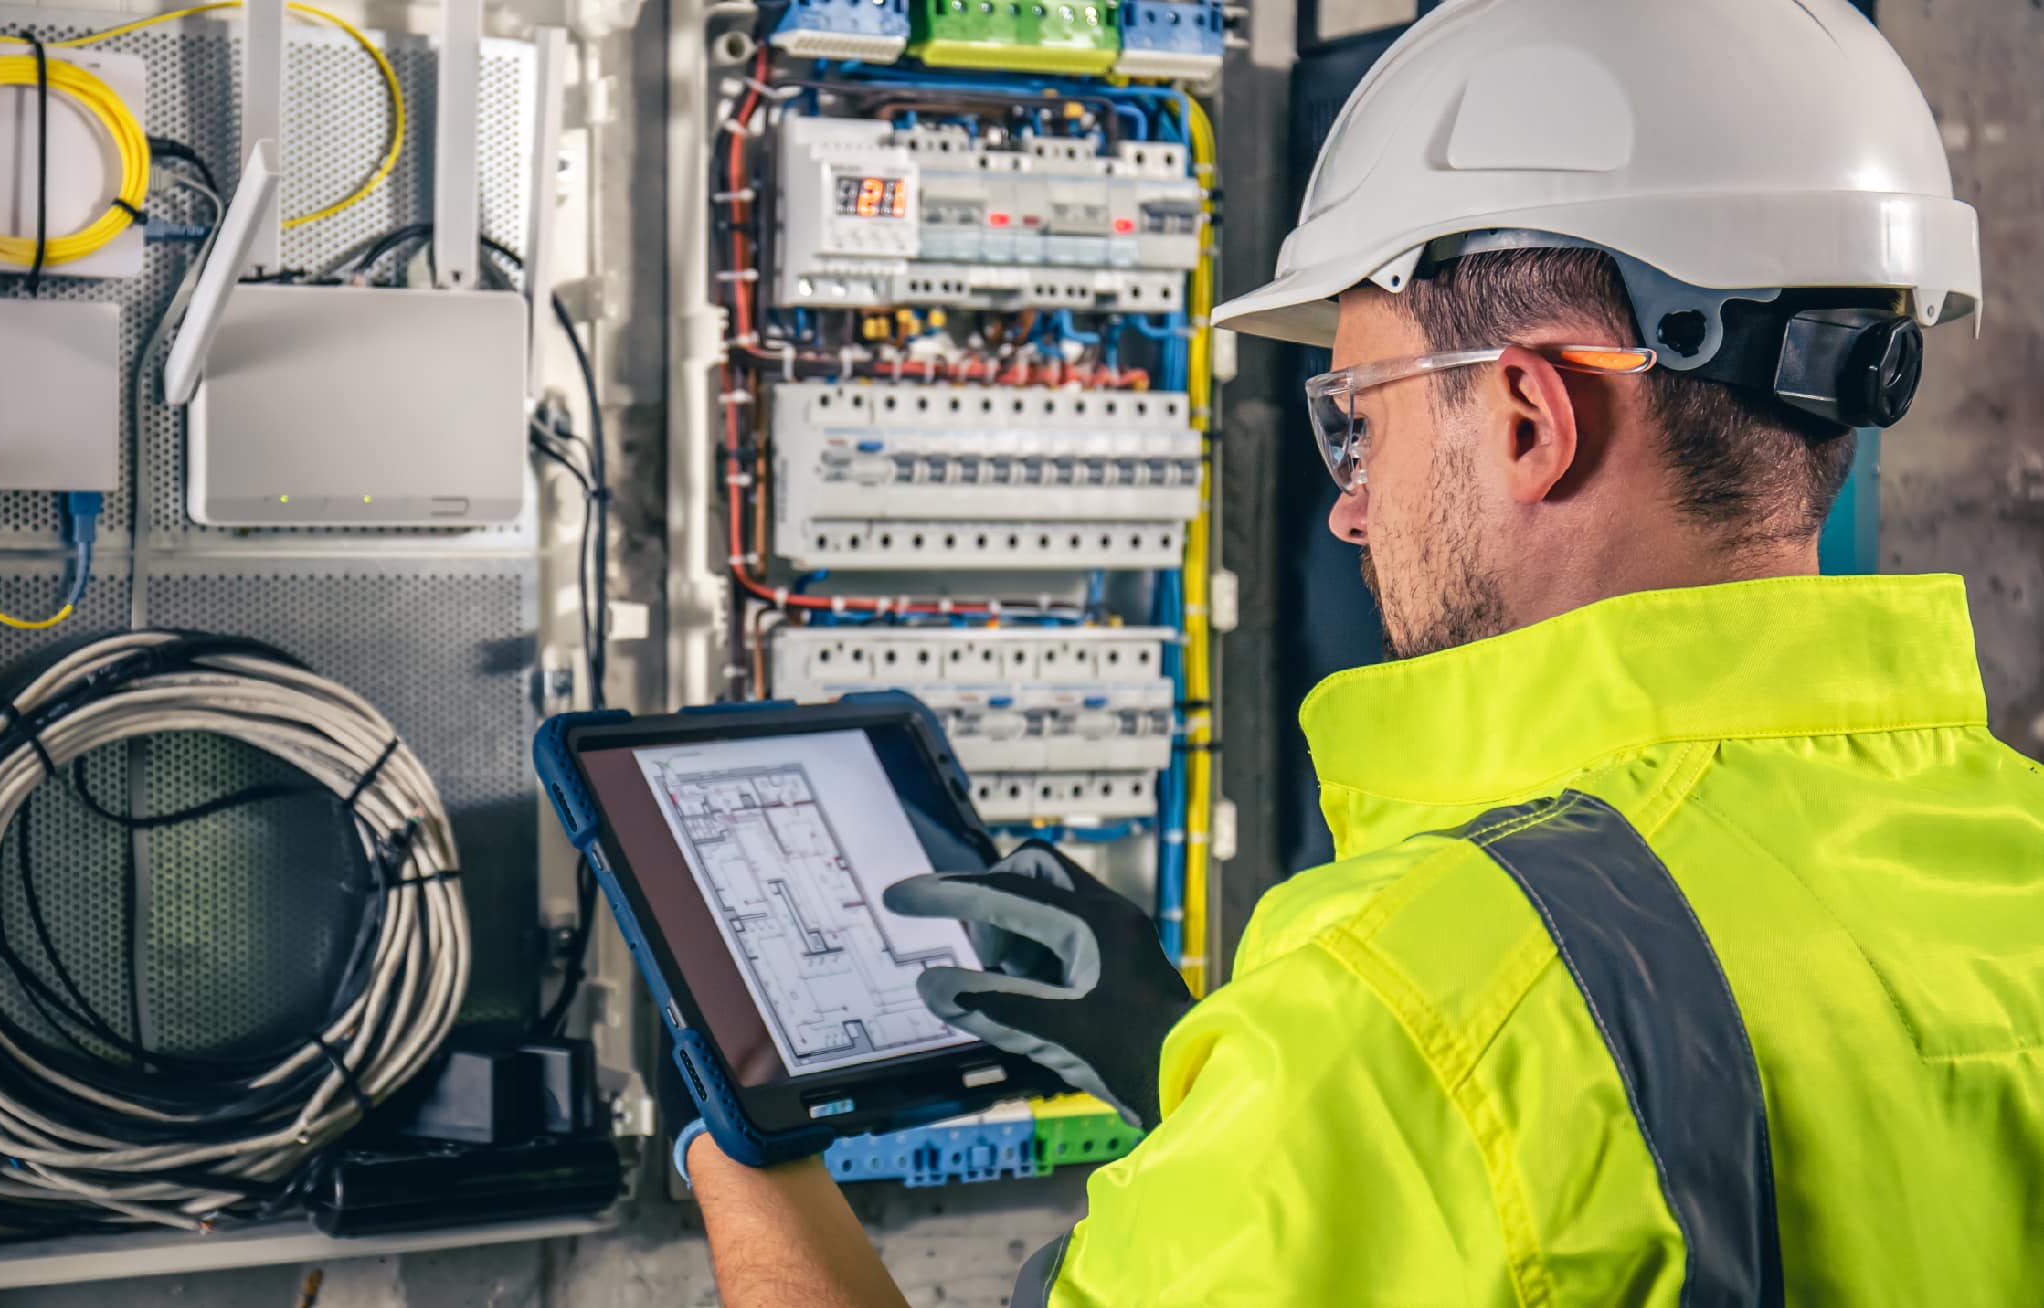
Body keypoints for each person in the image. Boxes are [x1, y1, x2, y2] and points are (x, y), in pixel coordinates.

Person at [674, 0, 2044, 1303]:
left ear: (1528, 420)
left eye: (1360, 420)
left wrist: (739, 1145)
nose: (1349, 503)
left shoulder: (1405, 1001)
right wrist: (1218, 1100)